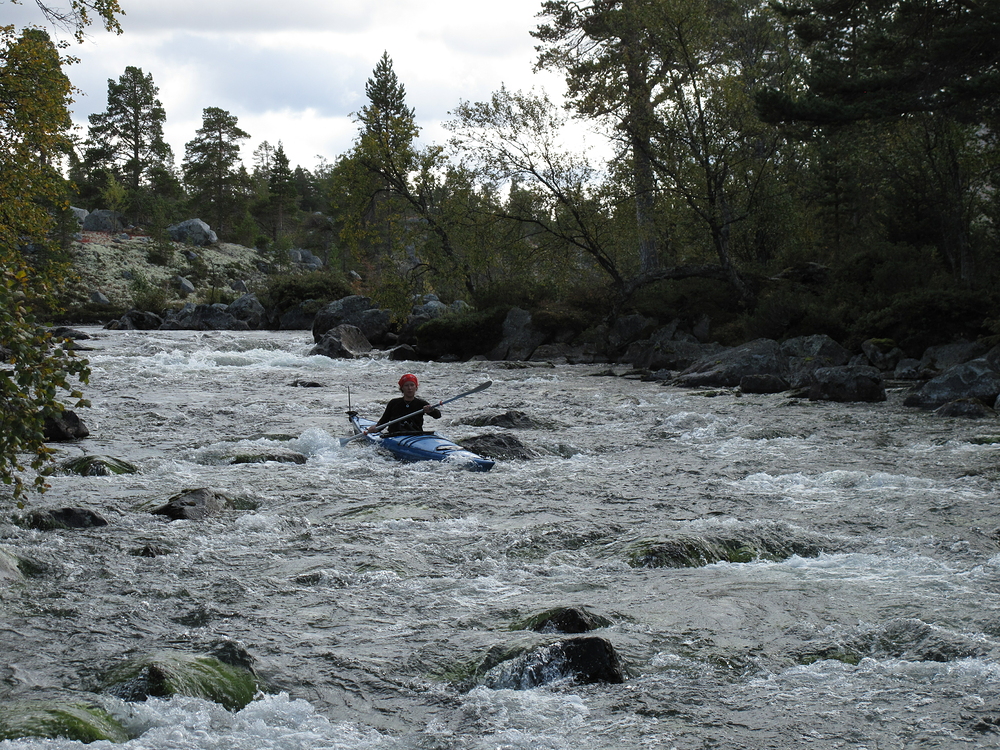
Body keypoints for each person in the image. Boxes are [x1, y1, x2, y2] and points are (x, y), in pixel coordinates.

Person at [365, 373, 442, 435]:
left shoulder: (421, 403)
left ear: (416, 387)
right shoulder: (394, 403)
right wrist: (376, 428)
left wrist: (431, 410)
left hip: (415, 435)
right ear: (402, 388)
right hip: (394, 435)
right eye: (406, 385)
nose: (409, 388)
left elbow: (438, 415)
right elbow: (384, 421)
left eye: (412, 385)